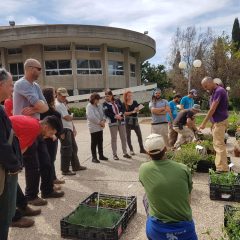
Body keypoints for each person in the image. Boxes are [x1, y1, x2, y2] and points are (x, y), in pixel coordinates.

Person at [13, 58, 64, 205]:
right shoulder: (21, 84)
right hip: (25, 129)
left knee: (46, 161)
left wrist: (35, 108)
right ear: (29, 68)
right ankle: (31, 196)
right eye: (38, 69)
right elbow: (39, 104)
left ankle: (47, 190)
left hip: (36, 126)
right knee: (32, 165)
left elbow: (45, 107)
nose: (40, 72)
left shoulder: (35, 85)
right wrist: (38, 106)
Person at [139, 134, 198, 240]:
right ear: (165, 149)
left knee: (145, 197)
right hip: (185, 227)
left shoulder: (143, 169)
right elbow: (188, 199)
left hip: (156, 229)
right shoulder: (183, 168)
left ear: (147, 153)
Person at [0, 68, 22, 240]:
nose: (12, 89)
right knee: (5, 216)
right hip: (5, 172)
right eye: (10, 85)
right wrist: (14, 166)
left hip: (6, 169)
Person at [199, 76, 229, 172]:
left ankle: (222, 169)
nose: (205, 88)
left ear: (211, 82)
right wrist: (212, 123)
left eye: (206, 86)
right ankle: (221, 166)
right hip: (217, 122)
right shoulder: (214, 92)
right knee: (218, 144)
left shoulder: (219, 91)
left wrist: (204, 123)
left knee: (219, 145)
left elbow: (212, 109)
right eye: (204, 87)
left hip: (220, 122)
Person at [55, 87, 87, 175]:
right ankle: (65, 170)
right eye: (63, 96)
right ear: (58, 95)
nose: (65, 98)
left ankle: (76, 165)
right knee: (67, 150)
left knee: (73, 148)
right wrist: (72, 115)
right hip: (64, 130)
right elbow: (67, 117)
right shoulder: (58, 105)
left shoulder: (61, 104)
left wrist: (73, 127)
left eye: (65, 96)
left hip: (67, 129)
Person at [41, 87, 65, 184]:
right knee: (48, 160)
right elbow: (44, 124)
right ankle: (50, 182)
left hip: (54, 137)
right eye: (53, 94)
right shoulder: (45, 109)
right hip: (49, 138)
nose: (55, 95)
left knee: (52, 159)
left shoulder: (51, 107)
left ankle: (53, 179)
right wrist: (52, 135)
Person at [103, 89, 131, 160]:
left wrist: (120, 114)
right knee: (114, 139)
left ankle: (125, 153)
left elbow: (123, 108)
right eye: (105, 96)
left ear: (111, 96)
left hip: (121, 121)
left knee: (123, 137)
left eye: (108, 96)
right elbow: (107, 113)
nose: (106, 97)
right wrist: (115, 116)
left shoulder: (117, 100)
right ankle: (115, 155)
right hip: (113, 122)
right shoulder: (104, 104)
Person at [86, 93, 108, 163]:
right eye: (97, 99)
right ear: (93, 99)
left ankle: (101, 155)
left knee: (100, 141)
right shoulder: (89, 106)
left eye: (98, 99)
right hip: (93, 127)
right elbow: (91, 117)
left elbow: (103, 114)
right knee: (94, 142)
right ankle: (94, 157)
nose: (98, 101)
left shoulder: (99, 105)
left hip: (100, 126)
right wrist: (100, 122)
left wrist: (104, 120)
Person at [123, 90, 145, 155]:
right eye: (128, 96)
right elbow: (124, 113)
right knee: (128, 136)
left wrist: (138, 108)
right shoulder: (124, 103)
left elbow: (141, 107)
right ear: (126, 96)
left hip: (135, 120)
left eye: (131, 95)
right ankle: (131, 150)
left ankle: (142, 149)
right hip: (128, 120)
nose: (130, 97)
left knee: (139, 135)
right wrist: (132, 111)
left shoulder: (135, 102)